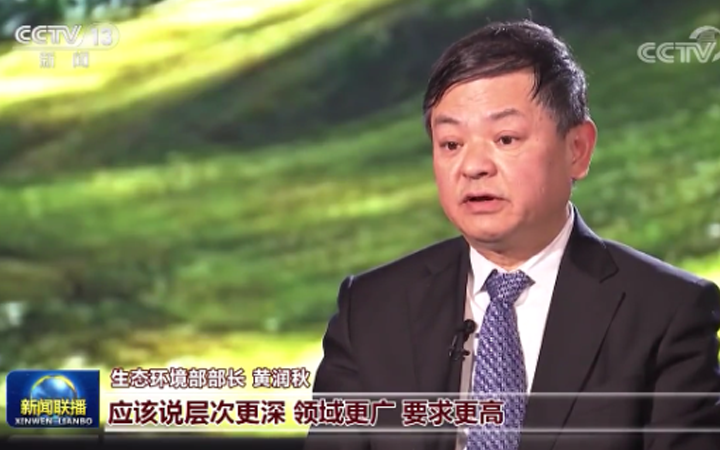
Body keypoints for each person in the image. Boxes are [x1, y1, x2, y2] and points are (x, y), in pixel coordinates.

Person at [303, 19, 720, 450]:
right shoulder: (370, 310)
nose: (473, 167)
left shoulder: (664, 311)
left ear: (577, 149)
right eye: (451, 144)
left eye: (505, 138)